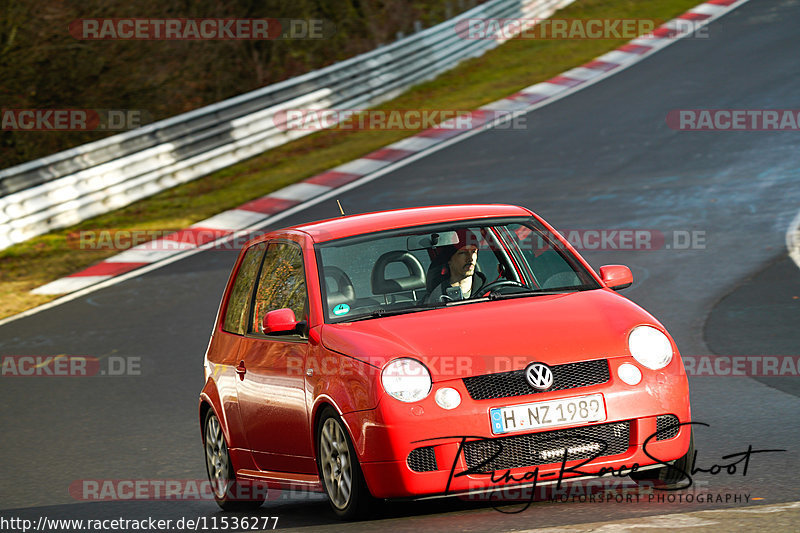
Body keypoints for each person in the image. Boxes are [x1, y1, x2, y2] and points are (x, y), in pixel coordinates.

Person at [425, 230, 486, 302]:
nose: (470, 258)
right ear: (449, 260)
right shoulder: (437, 298)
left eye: (473, 252)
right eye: (463, 253)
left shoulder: (488, 291)